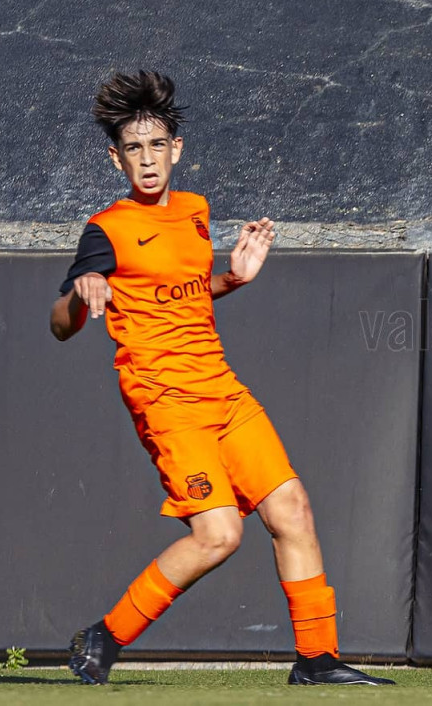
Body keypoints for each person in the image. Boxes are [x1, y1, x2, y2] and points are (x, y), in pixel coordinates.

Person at [51, 70, 393, 687]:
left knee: (292, 508)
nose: (147, 159)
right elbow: (59, 324)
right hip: (166, 401)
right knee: (219, 534)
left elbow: (182, 293)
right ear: (115, 158)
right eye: (133, 148)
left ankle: (317, 659)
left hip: (222, 389)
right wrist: (83, 291)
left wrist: (231, 279)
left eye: (157, 145)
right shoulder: (107, 229)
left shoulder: (196, 212)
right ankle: (104, 635)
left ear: (177, 150)